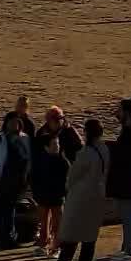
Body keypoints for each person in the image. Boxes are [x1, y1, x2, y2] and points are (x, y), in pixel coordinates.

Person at [56, 119, 110, 261]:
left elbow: (74, 174)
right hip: (98, 193)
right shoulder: (104, 149)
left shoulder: (86, 152)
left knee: (72, 228)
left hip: (81, 194)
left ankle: (64, 260)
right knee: (90, 231)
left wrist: (68, 186)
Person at [30, 107, 82, 252]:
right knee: (44, 216)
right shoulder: (42, 133)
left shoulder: (69, 132)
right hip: (44, 183)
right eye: (55, 119)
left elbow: (79, 151)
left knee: (58, 217)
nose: (59, 121)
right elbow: (35, 156)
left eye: (60, 118)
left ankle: (56, 244)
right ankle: (44, 240)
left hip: (59, 187)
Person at [105, 100, 131, 261]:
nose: (117, 113)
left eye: (120, 110)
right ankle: (126, 248)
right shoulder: (127, 131)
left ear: (127, 113)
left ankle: (130, 251)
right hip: (124, 181)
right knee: (127, 215)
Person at [0, 113, 31, 246]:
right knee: (0, 210)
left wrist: (27, 177)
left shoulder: (24, 138)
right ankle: (1, 238)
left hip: (18, 179)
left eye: (17, 122)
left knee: (10, 209)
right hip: (2, 178)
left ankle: (8, 237)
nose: (14, 125)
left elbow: (28, 158)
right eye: (11, 123)